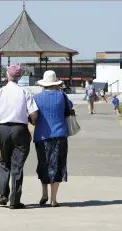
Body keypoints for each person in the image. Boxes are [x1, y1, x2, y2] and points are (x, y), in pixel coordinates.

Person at [0, 65, 38, 210]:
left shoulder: (0, 92)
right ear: (20, 77)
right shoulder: (25, 92)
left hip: (3, 128)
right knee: (17, 165)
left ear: (7, 76)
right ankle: (15, 199)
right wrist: (33, 122)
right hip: (20, 129)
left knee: (4, 162)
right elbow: (34, 114)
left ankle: (3, 194)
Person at [33, 70, 73, 207]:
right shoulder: (62, 96)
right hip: (59, 134)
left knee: (43, 164)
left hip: (41, 136)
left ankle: (44, 192)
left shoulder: (36, 98)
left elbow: (32, 115)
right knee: (57, 165)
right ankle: (53, 198)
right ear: (56, 83)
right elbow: (70, 107)